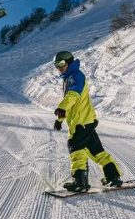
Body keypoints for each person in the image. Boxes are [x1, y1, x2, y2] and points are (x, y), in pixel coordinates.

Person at [51, 51, 123, 191]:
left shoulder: (76, 76)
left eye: (61, 64)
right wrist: (60, 119)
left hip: (80, 122)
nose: (59, 68)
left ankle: (80, 182)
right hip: (86, 121)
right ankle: (113, 177)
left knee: (76, 148)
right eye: (56, 65)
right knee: (97, 151)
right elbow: (72, 102)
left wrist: (61, 107)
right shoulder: (69, 78)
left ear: (69, 62)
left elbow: (73, 95)